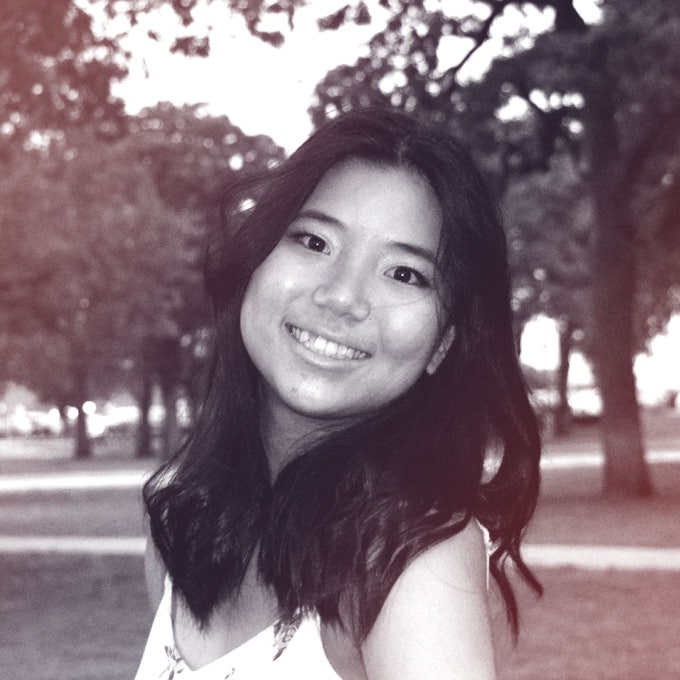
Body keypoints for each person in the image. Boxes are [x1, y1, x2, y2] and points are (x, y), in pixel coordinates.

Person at [135, 107, 541, 680]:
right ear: (256, 261)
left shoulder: (407, 560)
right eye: (314, 240)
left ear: (444, 341)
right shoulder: (182, 513)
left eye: (404, 274)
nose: (342, 296)